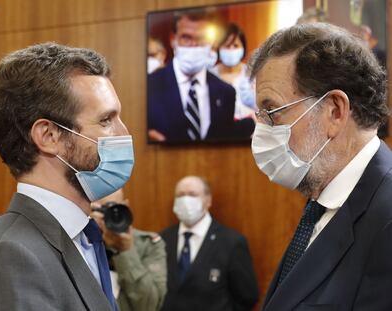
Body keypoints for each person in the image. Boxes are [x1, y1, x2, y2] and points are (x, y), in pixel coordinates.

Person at [0, 42, 135, 310]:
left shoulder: (83, 235)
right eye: (106, 120)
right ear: (49, 136)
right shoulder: (12, 256)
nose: (124, 132)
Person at [248, 22, 391, 310]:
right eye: (259, 115)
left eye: (272, 113)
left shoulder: (387, 219)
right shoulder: (323, 202)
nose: (260, 131)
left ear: (335, 111)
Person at [160, 176, 258, 311]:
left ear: (208, 200)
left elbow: (247, 297)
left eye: (192, 194)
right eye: (180, 195)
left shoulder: (232, 242)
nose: (185, 200)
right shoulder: (163, 239)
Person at [147, 10, 236, 143]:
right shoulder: (149, 87)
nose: (194, 45)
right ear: (173, 39)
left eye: (201, 38)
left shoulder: (226, 92)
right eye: (186, 37)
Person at [91, 189, 167, 311]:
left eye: (114, 208)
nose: (109, 215)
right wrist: (90, 232)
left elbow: (149, 306)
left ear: (125, 205)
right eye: (103, 210)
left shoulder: (148, 244)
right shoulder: (83, 243)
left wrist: (126, 251)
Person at [212, 23, 256, 120]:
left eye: (236, 45)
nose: (231, 49)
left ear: (243, 48)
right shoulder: (210, 75)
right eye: (227, 46)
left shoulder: (252, 75)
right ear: (219, 48)